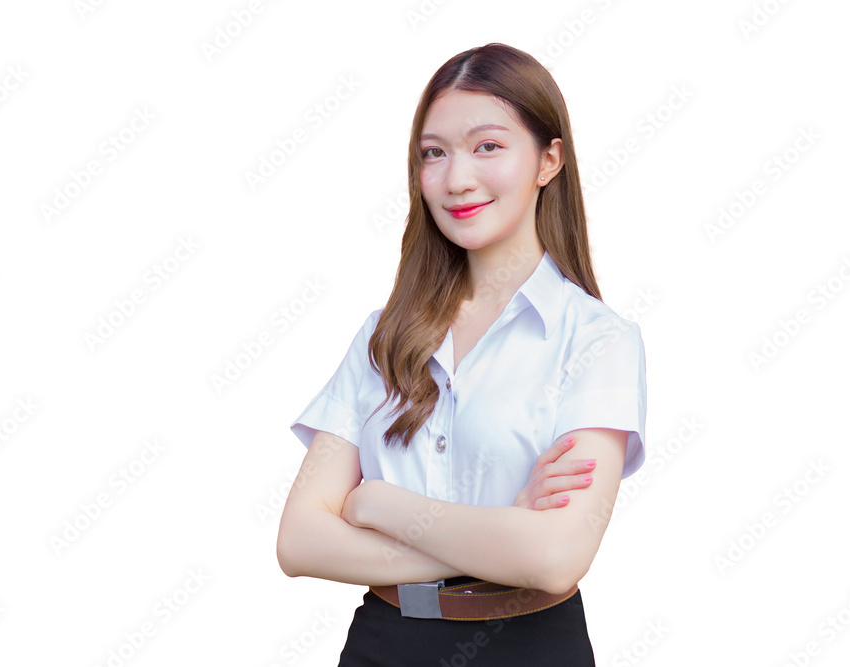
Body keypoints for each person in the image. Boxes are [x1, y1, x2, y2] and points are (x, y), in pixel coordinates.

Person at [277, 42, 647, 666]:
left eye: (488, 146)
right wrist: (503, 531)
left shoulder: (596, 340)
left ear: (548, 160)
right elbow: (300, 541)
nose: (457, 179)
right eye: (434, 153)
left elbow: (556, 558)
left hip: (528, 649)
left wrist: (378, 504)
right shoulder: (383, 337)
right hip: (382, 645)